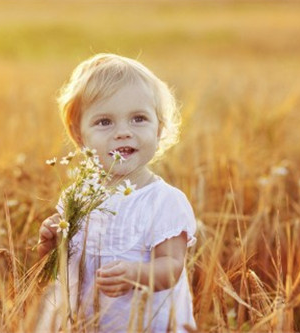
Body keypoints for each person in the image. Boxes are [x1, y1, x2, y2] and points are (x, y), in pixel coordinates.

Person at [37, 53, 197, 332]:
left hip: (147, 324)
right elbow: (57, 264)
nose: (123, 132)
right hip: (87, 324)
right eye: (104, 122)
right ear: (78, 135)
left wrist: (137, 274)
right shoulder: (76, 198)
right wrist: (51, 241)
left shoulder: (164, 201)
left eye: (138, 119)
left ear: (159, 129)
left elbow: (172, 266)